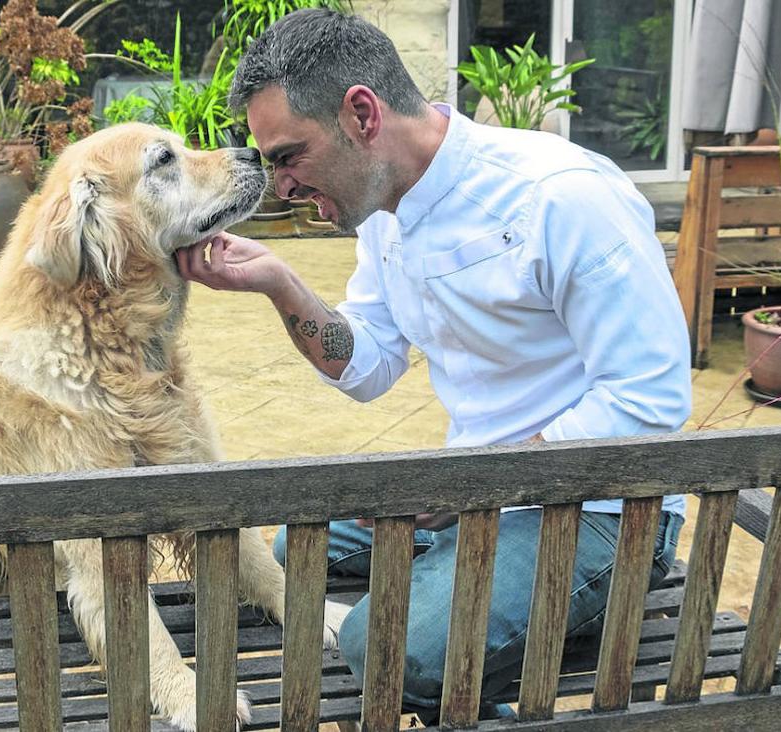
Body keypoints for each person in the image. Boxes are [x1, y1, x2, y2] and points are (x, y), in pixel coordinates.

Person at [175, 8, 691, 718]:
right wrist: (279, 282)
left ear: (362, 113)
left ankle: (514, 633)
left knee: (381, 646)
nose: (282, 185)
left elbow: (650, 399)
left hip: (602, 505)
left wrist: (477, 485)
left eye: (289, 155)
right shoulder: (384, 208)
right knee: (295, 553)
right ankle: (473, 602)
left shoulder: (561, 196)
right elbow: (369, 366)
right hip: (476, 492)